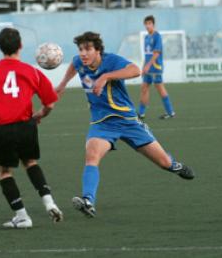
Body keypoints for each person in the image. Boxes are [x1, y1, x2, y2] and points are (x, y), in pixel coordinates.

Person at [56, 31, 194, 218]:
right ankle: (88, 201)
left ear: (98, 51)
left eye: (88, 49)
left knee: (164, 162)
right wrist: (63, 83)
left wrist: (106, 77)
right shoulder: (80, 61)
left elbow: (135, 70)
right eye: (81, 49)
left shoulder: (111, 61)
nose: (83, 53)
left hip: (128, 122)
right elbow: (74, 64)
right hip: (102, 123)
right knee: (92, 156)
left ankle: (176, 166)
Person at [0, 27, 62, 229]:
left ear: (0, 47)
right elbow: (50, 103)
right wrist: (39, 115)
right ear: (20, 46)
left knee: (4, 172)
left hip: (1, 130)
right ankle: (49, 202)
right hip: (26, 127)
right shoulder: (32, 72)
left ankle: (22, 216)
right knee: (30, 162)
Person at [137, 15, 175, 120]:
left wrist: (148, 65)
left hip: (155, 67)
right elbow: (147, 54)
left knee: (160, 88)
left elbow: (156, 53)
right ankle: (141, 113)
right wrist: (143, 66)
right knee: (144, 87)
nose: (148, 26)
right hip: (148, 68)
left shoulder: (157, 36)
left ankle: (170, 112)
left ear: (153, 24)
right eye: (146, 24)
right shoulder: (146, 37)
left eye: (150, 23)